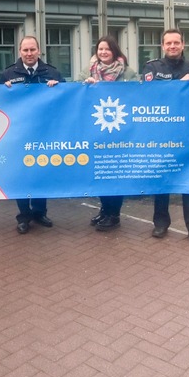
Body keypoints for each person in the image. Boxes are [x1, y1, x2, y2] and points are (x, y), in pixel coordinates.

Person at [142, 28, 189, 246]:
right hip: (161, 135)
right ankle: (161, 223)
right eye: (168, 43)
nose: (172, 47)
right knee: (161, 180)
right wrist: (178, 86)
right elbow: (147, 98)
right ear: (162, 46)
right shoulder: (152, 69)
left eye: (176, 43)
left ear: (183, 45)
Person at [0, 35, 64, 233]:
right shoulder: (9, 73)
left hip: (44, 133)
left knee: (41, 172)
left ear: (39, 51)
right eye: (25, 50)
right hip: (19, 134)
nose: (29, 53)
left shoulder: (52, 72)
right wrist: (3, 90)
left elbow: (68, 97)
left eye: (32, 50)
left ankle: (40, 212)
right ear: (20, 52)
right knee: (22, 174)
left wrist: (58, 87)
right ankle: (23, 216)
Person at [84, 35, 137, 232]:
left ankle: (114, 214)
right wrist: (85, 85)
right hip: (97, 132)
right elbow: (75, 92)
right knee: (101, 173)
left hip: (120, 132)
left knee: (115, 173)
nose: (103, 52)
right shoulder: (88, 71)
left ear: (114, 51)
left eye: (107, 49)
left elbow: (137, 96)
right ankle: (104, 210)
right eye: (100, 49)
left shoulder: (128, 72)